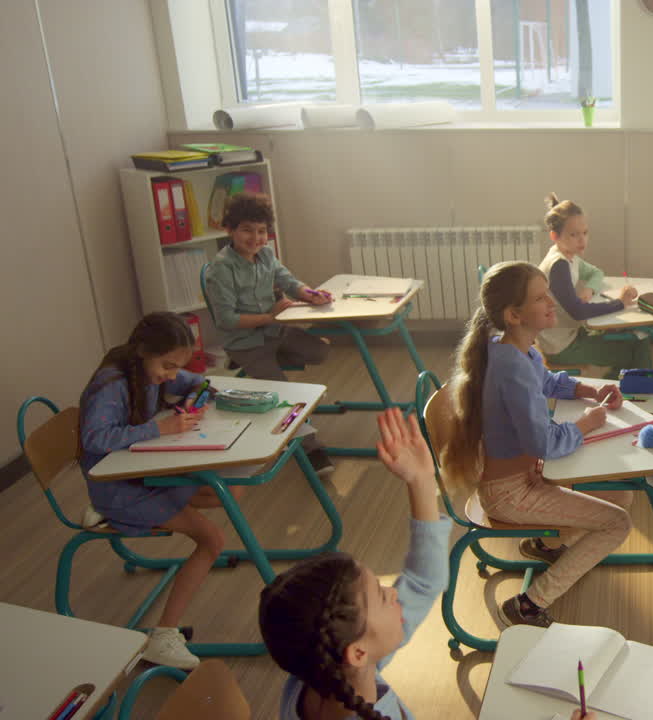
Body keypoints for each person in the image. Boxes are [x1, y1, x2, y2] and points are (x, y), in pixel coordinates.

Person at [441, 261, 633, 628]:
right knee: (618, 523)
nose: (552, 302)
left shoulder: (515, 349)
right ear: (514, 315)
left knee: (621, 494)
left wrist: (589, 390)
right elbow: (542, 442)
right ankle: (527, 605)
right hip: (510, 493)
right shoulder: (510, 365)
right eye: (540, 297)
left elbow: (546, 381)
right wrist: (585, 424)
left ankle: (545, 546)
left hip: (525, 477)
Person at [78, 312, 245, 669]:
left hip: (139, 472)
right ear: (142, 350)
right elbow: (94, 437)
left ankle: (108, 511)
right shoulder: (113, 382)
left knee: (229, 492)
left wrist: (199, 395)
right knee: (213, 540)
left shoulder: (148, 370)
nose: (171, 375)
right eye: (167, 366)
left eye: (176, 366)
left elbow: (194, 382)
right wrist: (160, 429)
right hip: (119, 488)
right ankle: (164, 636)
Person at [259, 408, 450, 720]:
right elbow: (422, 583)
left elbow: (423, 580)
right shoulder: (344, 670)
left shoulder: (328, 672)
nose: (393, 593)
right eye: (380, 595)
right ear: (358, 652)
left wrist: (421, 481)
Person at [204, 192, 334, 473]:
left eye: (261, 231)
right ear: (230, 230)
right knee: (284, 395)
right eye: (247, 230)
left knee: (321, 352)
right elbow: (227, 320)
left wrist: (310, 294)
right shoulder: (221, 269)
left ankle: (293, 412)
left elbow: (288, 281)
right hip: (245, 342)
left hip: (276, 331)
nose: (256, 238)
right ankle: (311, 449)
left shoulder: (266, 255)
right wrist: (270, 316)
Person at [536, 193, 651, 379]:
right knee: (636, 346)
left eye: (585, 233)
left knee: (638, 337)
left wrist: (589, 288)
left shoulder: (568, 256)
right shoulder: (559, 265)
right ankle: (641, 394)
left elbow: (596, 273)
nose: (582, 240)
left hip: (570, 335)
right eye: (574, 235)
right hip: (561, 346)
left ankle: (619, 389)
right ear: (554, 236)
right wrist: (620, 303)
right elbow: (578, 312)